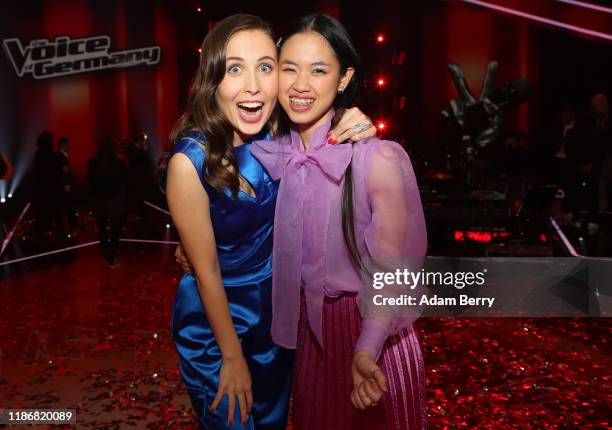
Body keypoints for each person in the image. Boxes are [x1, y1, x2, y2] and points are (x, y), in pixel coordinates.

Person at [164, 14, 375, 429]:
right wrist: (231, 357)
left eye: (265, 66)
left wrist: (353, 120)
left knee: (272, 422)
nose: (254, 85)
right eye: (235, 69)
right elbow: (205, 271)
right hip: (216, 324)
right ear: (212, 81)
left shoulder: (280, 137)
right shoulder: (188, 163)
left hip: (277, 318)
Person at [250, 14, 427, 429]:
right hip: (312, 341)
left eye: (319, 70)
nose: (300, 85)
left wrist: (365, 349)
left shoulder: (376, 160)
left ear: (344, 78)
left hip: (374, 337)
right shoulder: (272, 157)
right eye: (288, 68)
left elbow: (392, 272)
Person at [88, 137, 127, 267]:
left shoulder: (93, 162)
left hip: (99, 200)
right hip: (115, 200)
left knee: (103, 230)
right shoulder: (118, 163)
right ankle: (112, 257)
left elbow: (91, 182)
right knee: (115, 231)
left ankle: (107, 256)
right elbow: (123, 180)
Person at [56, 137, 77, 233]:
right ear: (63, 145)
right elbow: (64, 172)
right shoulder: (61, 156)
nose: (69, 146)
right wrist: (66, 184)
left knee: (65, 207)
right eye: (68, 144)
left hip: (62, 186)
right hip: (65, 187)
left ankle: (65, 226)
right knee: (69, 207)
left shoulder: (60, 155)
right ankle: (72, 226)